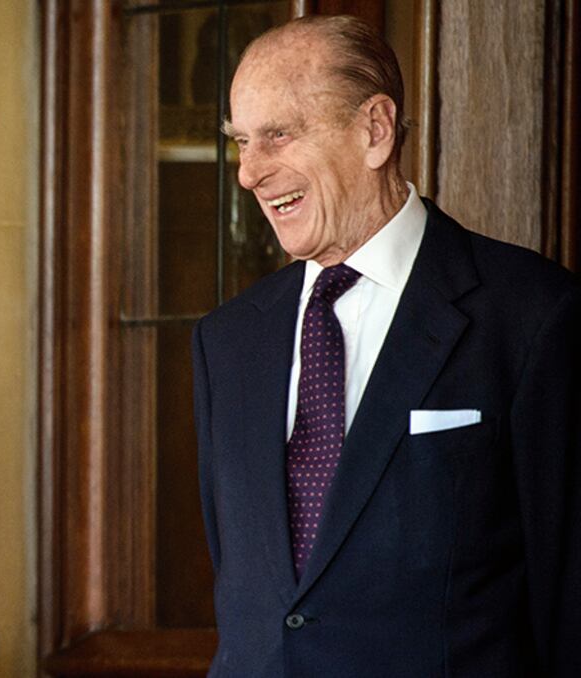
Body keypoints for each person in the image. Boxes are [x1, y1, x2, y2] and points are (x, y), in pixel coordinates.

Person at [194, 14, 580, 676]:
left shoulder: (535, 316)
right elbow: (251, 595)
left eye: (278, 135)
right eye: (241, 142)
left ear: (374, 129)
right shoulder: (226, 341)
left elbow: (569, 602)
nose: (249, 173)